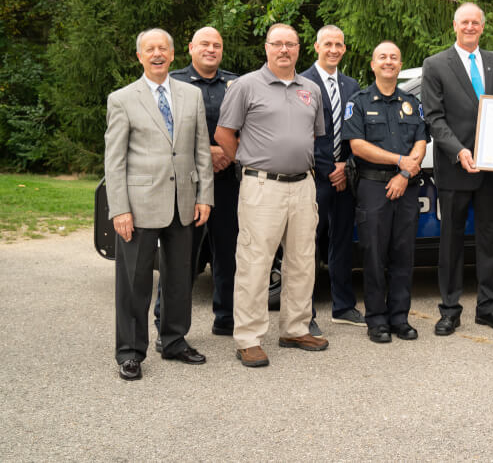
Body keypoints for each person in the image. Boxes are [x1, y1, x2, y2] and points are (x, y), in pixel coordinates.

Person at [216, 24, 328, 368]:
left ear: (299, 49)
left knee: (302, 260)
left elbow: (313, 134)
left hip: (303, 185)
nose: (284, 50)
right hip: (262, 186)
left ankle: (294, 328)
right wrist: (249, 160)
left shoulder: (311, 89)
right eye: (277, 44)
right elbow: (223, 133)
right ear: (266, 48)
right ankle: (248, 338)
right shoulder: (246, 86)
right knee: (255, 262)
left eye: (290, 44)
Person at [104, 28, 214, 380]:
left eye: (162, 49)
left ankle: (174, 341)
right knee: (134, 282)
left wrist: (205, 197)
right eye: (149, 49)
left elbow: (201, 151)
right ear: (140, 56)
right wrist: (119, 208)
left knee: (180, 278)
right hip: (138, 207)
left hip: (183, 202)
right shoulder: (122, 99)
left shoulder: (190, 95)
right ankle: (130, 352)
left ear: (172, 54)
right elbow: (114, 160)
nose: (157, 54)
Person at [422, 2, 493, 336]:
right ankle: (449, 310)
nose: (470, 27)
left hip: (491, 170)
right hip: (455, 168)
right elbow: (433, 117)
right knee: (451, 243)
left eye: (476, 22)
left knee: (490, 241)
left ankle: (489, 308)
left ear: (483, 27)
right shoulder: (435, 65)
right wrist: (459, 151)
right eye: (465, 22)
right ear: (454, 25)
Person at [155, 27, 240, 342]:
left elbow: (250, 125)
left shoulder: (236, 83)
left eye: (217, 45)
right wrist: (209, 152)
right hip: (186, 183)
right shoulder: (172, 82)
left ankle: (226, 319)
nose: (211, 49)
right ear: (190, 48)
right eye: (205, 44)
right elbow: (164, 129)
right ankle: (167, 320)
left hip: (227, 180)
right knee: (181, 255)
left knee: (228, 253)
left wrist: (227, 155)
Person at [343, 41, 427, 343]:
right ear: (373, 64)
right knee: (375, 255)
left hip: (405, 187)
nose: (388, 61)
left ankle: (400, 318)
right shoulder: (360, 101)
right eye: (382, 57)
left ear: (400, 64)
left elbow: (421, 141)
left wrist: (404, 173)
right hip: (374, 187)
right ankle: (376, 320)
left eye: (394, 57)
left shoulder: (411, 102)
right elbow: (357, 146)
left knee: (403, 255)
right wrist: (399, 162)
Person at [301, 25, 362, 328]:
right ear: (316, 47)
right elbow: (300, 133)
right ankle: (305, 314)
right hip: (314, 177)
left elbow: (360, 132)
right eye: (328, 44)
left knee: (342, 243)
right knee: (307, 246)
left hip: (346, 177)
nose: (334, 49)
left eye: (339, 44)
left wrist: (346, 165)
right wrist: (329, 169)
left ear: (344, 49)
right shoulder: (301, 83)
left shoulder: (352, 86)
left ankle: (344, 307)